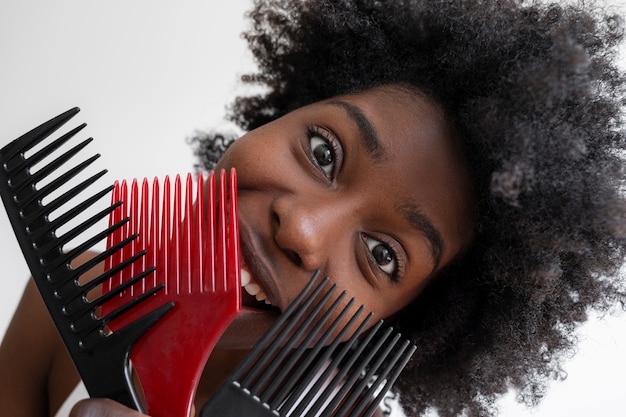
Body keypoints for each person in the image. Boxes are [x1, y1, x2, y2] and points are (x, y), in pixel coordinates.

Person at [1, 0, 625, 416]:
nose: (301, 229)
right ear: (281, 111)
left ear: (402, 317)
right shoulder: (76, 290)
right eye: (324, 152)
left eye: (383, 256)